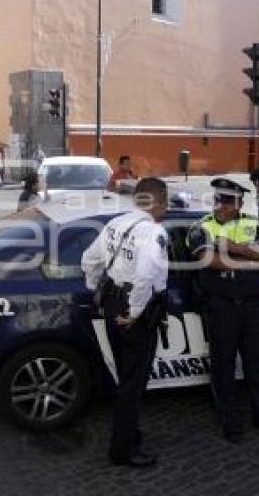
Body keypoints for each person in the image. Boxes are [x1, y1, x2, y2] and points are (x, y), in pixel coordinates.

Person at [186, 178, 259, 443]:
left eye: (227, 201)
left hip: (251, 305)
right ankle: (230, 421)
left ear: (239, 203)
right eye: (218, 200)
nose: (221, 206)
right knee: (223, 366)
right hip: (220, 306)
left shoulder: (254, 225)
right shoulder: (201, 226)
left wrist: (232, 248)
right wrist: (248, 258)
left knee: (257, 364)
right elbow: (208, 260)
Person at [81, 178, 169, 468]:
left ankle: (129, 433)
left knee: (125, 378)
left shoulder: (115, 224)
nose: (166, 209)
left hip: (112, 306)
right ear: (156, 202)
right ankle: (123, 450)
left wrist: (98, 288)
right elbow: (145, 276)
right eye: (165, 203)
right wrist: (134, 311)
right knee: (132, 385)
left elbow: (89, 260)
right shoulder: (154, 232)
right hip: (134, 315)